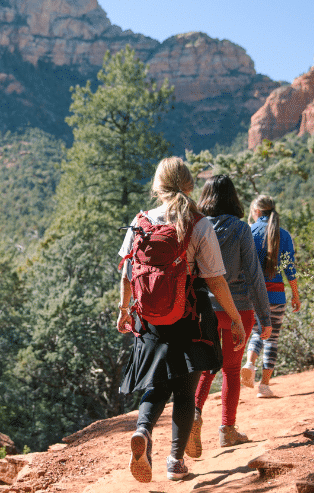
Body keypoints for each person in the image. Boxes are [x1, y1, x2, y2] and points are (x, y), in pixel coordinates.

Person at [116, 157, 246, 482]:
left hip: (149, 321)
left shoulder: (140, 221)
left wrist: (123, 312)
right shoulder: (198, 223)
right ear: (189, 185)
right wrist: (235, 318)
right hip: (190, 315)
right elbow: (216, 278)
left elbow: (127, 274)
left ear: (157, 187)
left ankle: (143, 434)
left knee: (156, 385)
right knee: (185, 389)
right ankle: (175, 461)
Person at [187, 176, 272, 457]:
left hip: (205, 308)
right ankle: (227, 429)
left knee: (207, 366)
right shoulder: (240, 229)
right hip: (239, 309)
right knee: (232, 370)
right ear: (233, 198)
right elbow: (254, 274)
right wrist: (265, 317)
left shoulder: (198, 227)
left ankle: (195, 414)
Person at [241, 194, 301, 399]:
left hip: (252, 295)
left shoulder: (248, 231)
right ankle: (264, 386)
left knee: (258, 331)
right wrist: (295, 294)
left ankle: (249, 363)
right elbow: (290, 269)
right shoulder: (283, 235)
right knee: (272, 338)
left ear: (256, 211)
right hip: (276, 294)